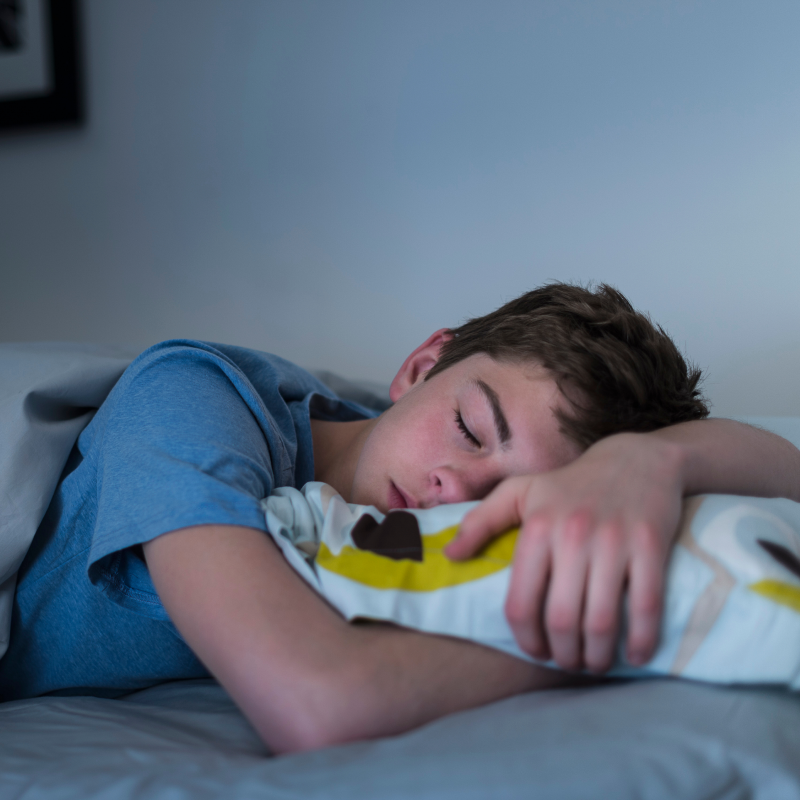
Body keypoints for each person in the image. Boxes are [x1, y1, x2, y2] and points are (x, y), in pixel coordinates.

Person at [1, 282, 798, 755]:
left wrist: (650, 465)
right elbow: (316, 705)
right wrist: (605, 634)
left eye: (502, 498)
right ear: (421, 366)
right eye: (470, 428)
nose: (456, 489)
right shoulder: (195, 405)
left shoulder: (382, 499)